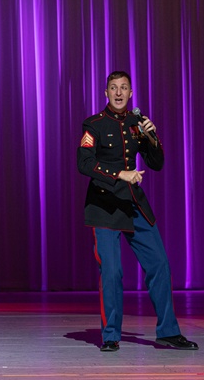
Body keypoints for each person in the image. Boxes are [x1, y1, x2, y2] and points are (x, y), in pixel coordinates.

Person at [77, 70, 197, 352]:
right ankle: (110, 336)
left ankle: (168, 332)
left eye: (124, 88)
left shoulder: (136, 123)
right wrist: (120, 173)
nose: (118, 93)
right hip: (104, 206)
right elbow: (84, 163)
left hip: (133, 204)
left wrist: (153, 138)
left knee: (160, 265)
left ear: (131, 93)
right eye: (113, 88)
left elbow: (156, 163)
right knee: (113, 272)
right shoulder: (93, 124)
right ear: (105, 93)